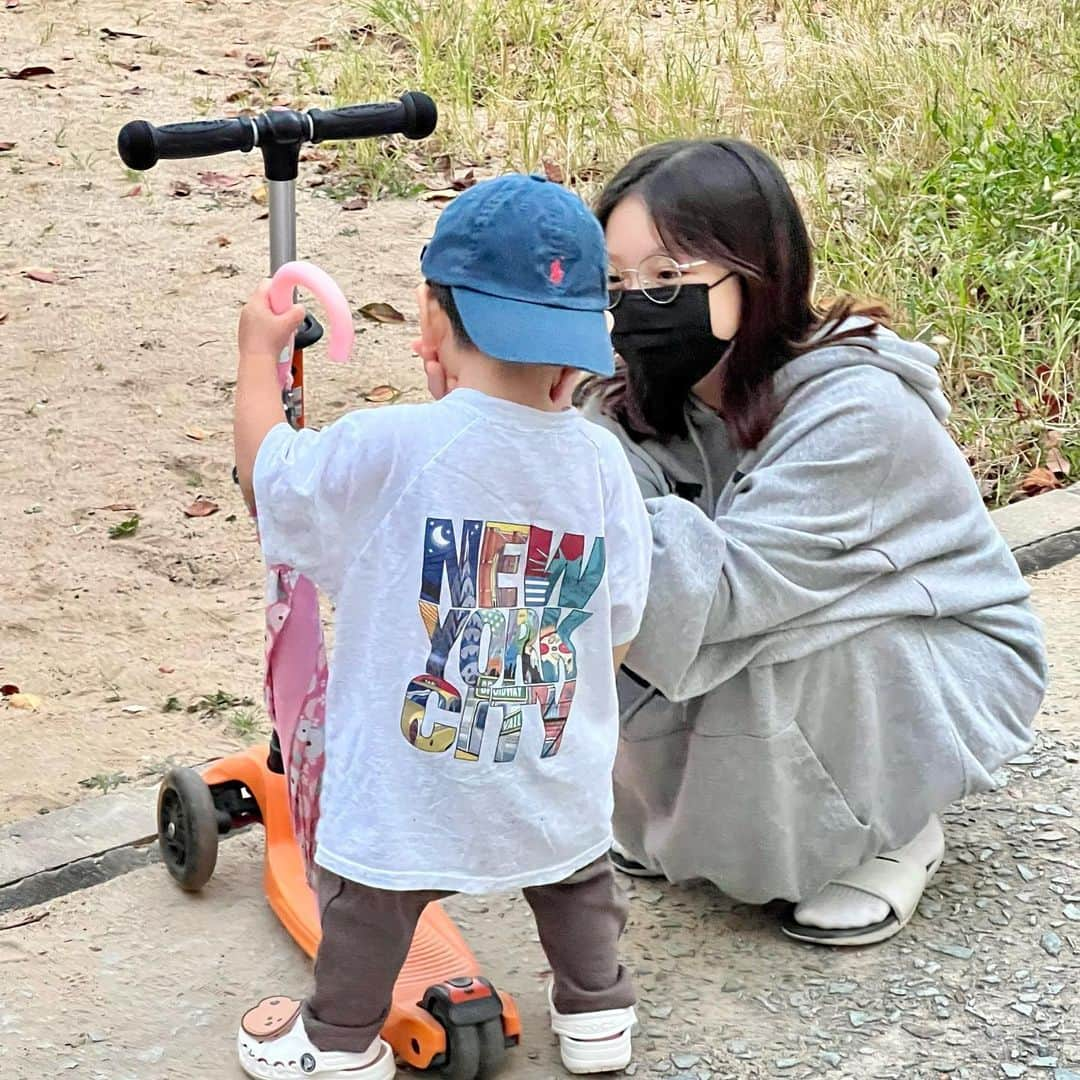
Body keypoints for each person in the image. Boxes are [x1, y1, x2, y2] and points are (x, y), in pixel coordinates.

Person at [231, 173, 652, 1079]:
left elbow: (272, 482)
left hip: (410, 777)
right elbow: (618, 618)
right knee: (576, 877)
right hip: (549, 757)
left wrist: (256, 359)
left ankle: (338, 1042)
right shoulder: (602, 465)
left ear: (430, 318)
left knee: (367, 898)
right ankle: (596, 1014)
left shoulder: (390, 446)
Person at [578, 138, 1048, 947]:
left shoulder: (860, 410)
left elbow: (724, 594)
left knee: (771, 634)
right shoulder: (625, 401)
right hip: (761, 627)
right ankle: (691, 822)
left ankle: (893, 828)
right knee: (583, 597)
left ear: (757, 274)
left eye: (667, 278)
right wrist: (518, 421)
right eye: (615, 282)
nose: (636, 305)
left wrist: (565, 470)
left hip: (927, 660)